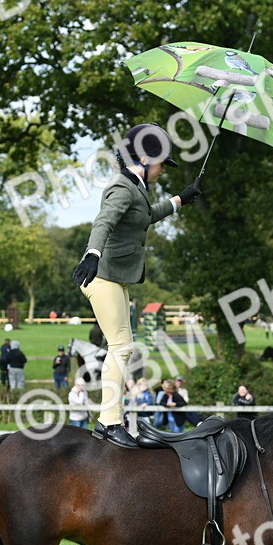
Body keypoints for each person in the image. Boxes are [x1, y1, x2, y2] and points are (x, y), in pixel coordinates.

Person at [72, 123, 201, 447]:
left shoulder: (136, 187)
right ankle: (109, 422)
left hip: (116, 277)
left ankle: (109, 420)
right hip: (101, 275)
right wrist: (91, 254)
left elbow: (145, 216)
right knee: (121, 348)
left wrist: (180, 200)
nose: (161, 171)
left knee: (123, 349)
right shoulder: (121, 187)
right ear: (144, 158)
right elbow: (103, 222)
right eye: (160, 163)